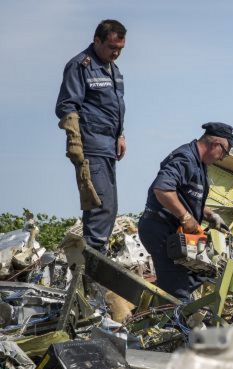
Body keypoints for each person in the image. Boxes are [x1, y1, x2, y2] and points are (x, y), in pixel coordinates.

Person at [55, 20, 128, 252]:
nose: (116, 53)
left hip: (108, 146)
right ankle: (92, 274)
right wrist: (75, 143)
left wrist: (120, 135)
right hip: (92, 146)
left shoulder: (113, 69)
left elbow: (112, 108)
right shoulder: (81, 65)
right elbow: (68, 106)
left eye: (120, 49)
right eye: (111, 47)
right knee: (99, 208)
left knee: (110, 209)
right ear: (97, 40)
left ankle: (94, 266)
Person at [138, 122, 232, 300]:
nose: (221, 158)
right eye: (224, 153)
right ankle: (173, 323)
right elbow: (163, 189)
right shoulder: (186, 158)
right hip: (161, 231)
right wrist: (185, 217)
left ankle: (159, 302)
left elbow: (186, 197)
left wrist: (209, 214)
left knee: (205, 271)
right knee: (178, 293)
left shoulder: (199, 163)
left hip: (173, 233)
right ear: (215, 144)